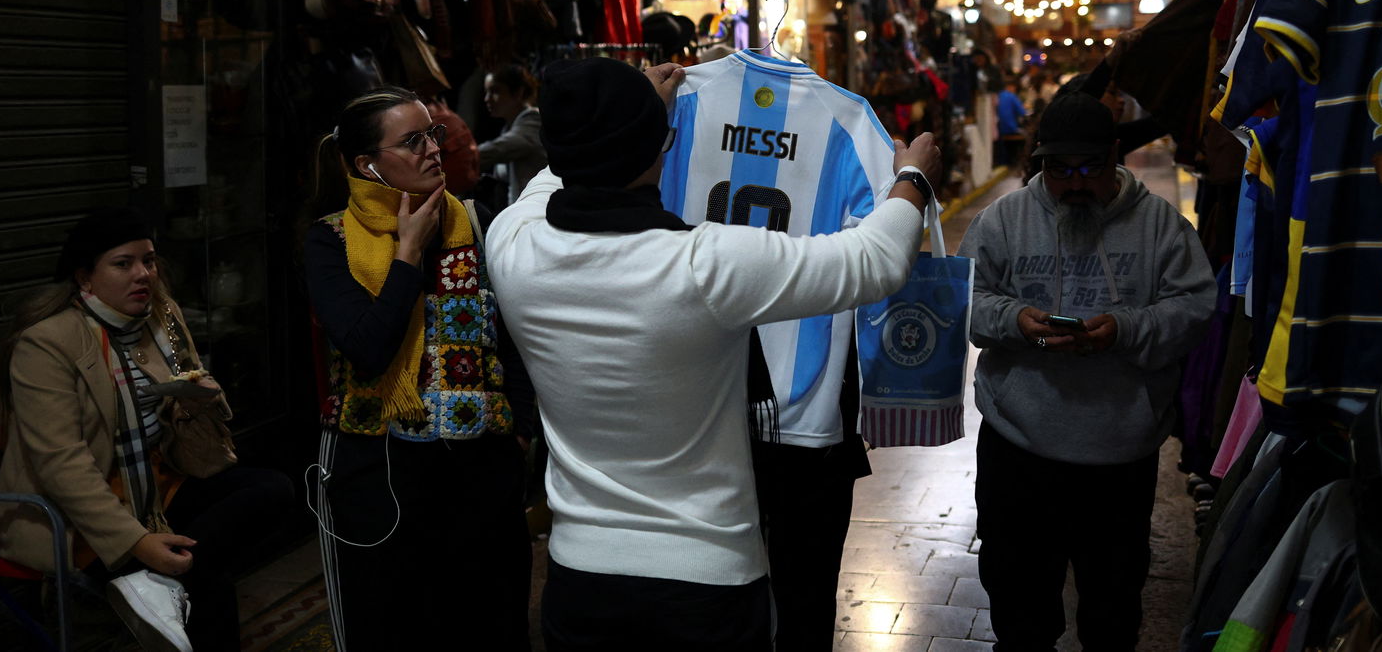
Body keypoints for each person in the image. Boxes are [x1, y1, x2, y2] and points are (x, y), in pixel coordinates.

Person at [486, 58, 943, 652]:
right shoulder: (706, 266)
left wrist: (634, 118)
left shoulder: (512, 242)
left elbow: (552, 180)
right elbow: (872, 260)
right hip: (705, 583)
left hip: (580, 580)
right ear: (658, 148)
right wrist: (911, 178)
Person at [961, 91, 1216, 652]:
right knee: (1020, 612)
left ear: (1116, 155)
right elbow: (968, 304)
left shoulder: (1161, 227)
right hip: (1017, 450)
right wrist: (1016, 320)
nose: (1075, 183)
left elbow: (1196, 308)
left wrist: (1126, 329)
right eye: (1059, 170)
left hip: (1119, 457)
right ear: (1040, 163)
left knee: (1112, 613)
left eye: (1089, 169)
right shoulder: (1003, 221)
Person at [0, 207, 292, 652]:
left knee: (273, 489)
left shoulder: (161, 316)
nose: (143, 274)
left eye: (149, 261)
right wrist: (139, 542)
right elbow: (62, 467)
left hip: (154, 486)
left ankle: (158, 582)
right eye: (123, 263)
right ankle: (163, 573)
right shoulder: (47, 343)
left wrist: (200, 391)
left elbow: (198, 393)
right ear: (85, 278)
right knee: (205, 571)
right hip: (77, 513)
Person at [302, 86, 536, 650]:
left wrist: (521, 427)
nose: (435, 149)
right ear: (367, 165)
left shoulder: (478, 221)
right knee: (394, 625)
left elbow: (515, 337)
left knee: (492, 624)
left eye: (433, 133)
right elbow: (367, 348)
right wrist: (406, 254)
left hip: (482, 469)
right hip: (381, 469)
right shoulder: (330, 240)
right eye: (413, 141)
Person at [478, 63, 547, 208]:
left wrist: (463, 156)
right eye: (486, 92)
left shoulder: (532, 121)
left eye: (495, 91)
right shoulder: (509, 127)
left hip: (536, 210)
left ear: (518, 93)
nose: (487, 99)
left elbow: (499, 149)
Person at [991, 70, 1028, 166]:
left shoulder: (997, 96)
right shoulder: (1011, 96)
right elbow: (1023, 112)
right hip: (1010, 128)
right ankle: (1018, 161)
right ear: (1011, 87)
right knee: (1027, 135)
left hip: (997, 130)